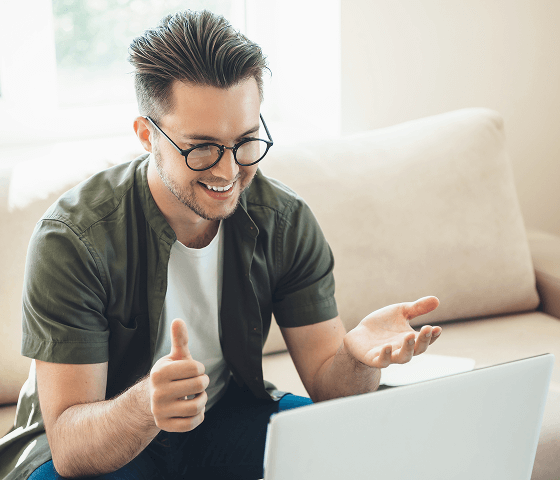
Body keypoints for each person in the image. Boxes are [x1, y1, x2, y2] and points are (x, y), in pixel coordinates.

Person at [0, 9, 442, 480]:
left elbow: (332, 390)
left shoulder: (285, 221)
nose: (228, 172)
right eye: (202, 147)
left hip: (223, 419)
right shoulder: (73, 238)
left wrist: (355, 358)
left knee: (366, 444)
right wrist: (147, 405)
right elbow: (70, 446)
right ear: (148, 135)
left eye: (246, 141)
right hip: (111, 438)